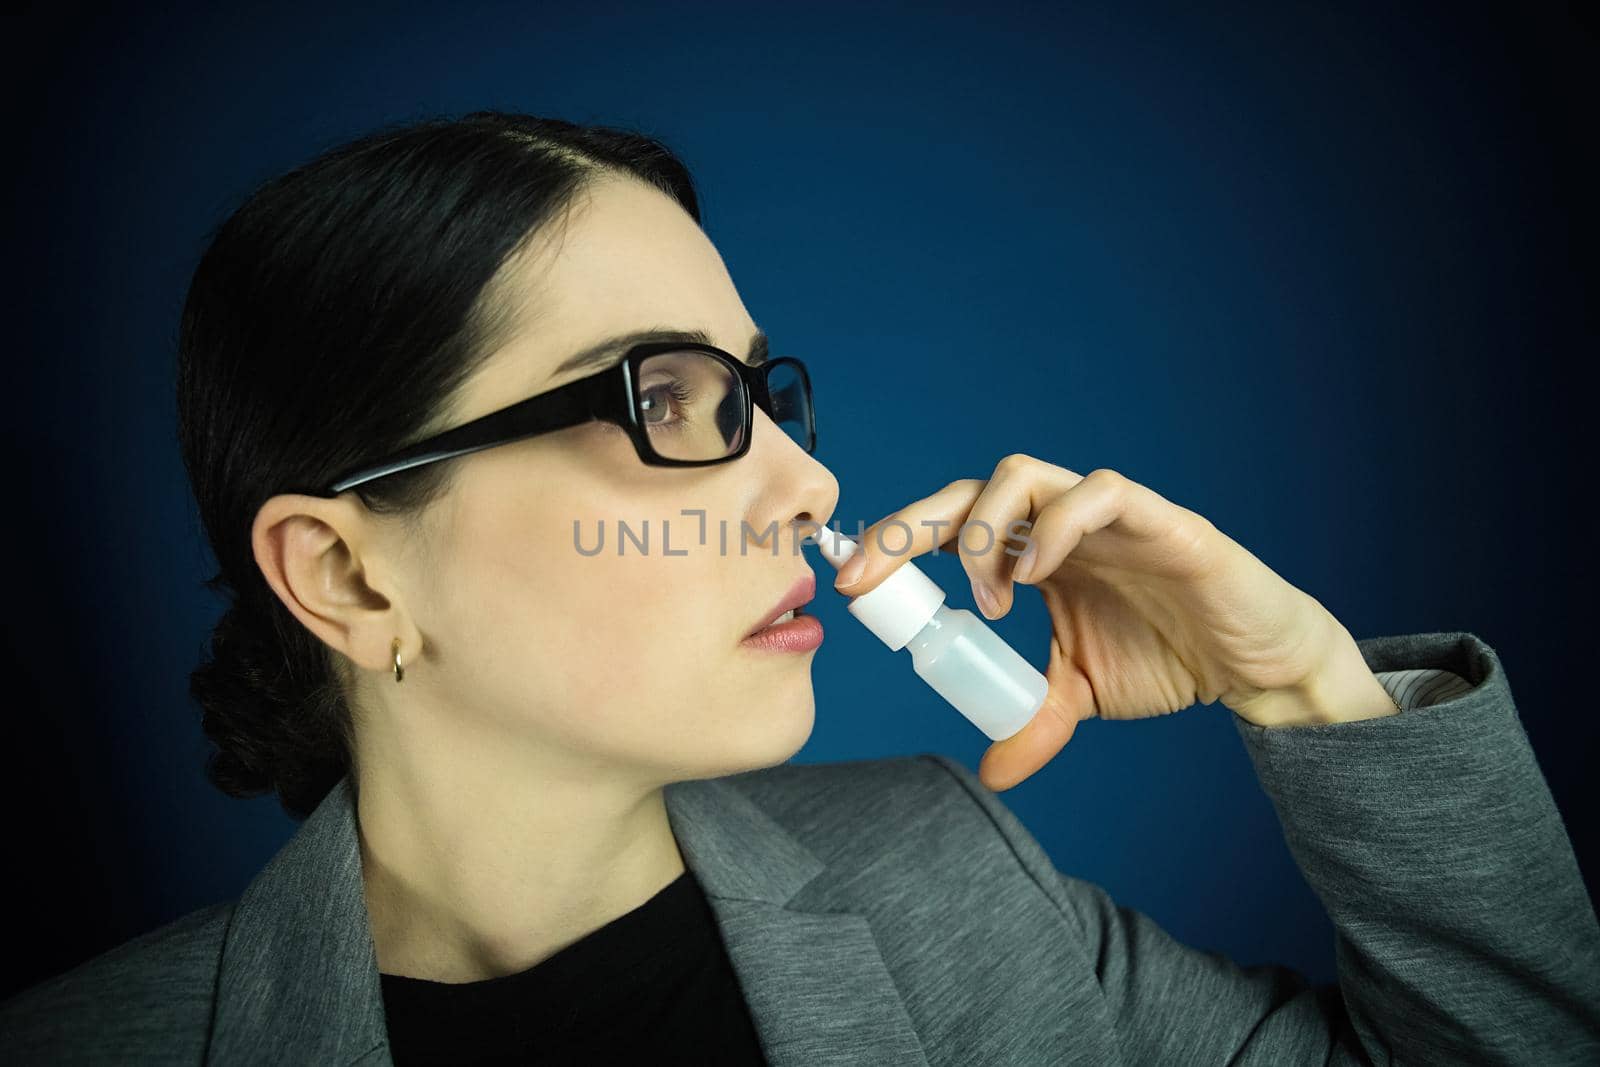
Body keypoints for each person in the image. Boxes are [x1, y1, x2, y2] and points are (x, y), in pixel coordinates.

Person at [2, 110, 1596, 1066]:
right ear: (349, 575)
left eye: (762, 394)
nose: (812, 482)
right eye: (667, 398)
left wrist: (1312, 689)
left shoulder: (950, 877)